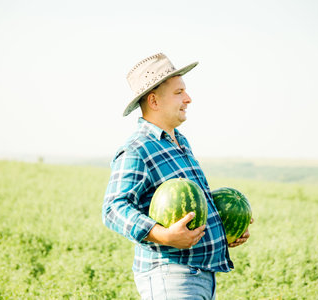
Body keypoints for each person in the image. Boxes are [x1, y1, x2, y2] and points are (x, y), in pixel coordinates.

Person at [102, 53, 252, 299]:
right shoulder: (138, 149)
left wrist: (225, 231)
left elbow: (194, 204)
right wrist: (163, 235)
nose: (188, 98)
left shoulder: (179, 142)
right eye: (178, 92)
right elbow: (113, 208)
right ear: (154, 101)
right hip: (171, 277)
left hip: (200, 276)